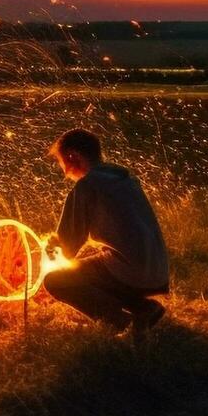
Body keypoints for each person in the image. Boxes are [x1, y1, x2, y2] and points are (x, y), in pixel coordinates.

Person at [41, 128, 170, 339]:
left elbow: (67, 247)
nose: (62, 169)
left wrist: (52, 243)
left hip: (131, 273)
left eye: (61, 162)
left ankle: (123, 325)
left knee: (56, 281)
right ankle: (144, 308)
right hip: (157, 272)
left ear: (72, 156)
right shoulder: (124, 179)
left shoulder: (87, 185)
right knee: (95, 266)